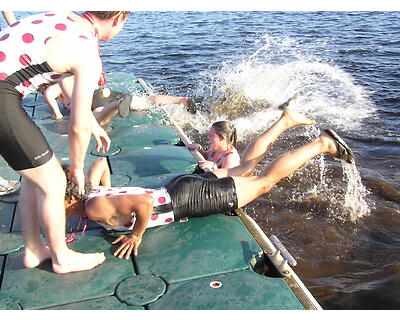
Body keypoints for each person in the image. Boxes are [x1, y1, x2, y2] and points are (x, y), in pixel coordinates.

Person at [63, 108, 354, 260]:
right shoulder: (91, 194)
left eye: (56, 204)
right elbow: (100, 165)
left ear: (68, 199)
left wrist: (136, 234)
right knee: (247, 167)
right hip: (181, 189)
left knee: (264, 182)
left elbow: (144, 204)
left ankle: (322, 144)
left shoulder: (93, 207)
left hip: (187, 199)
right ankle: (285, 121)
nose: (54, 211)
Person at [0, 11, 130, 274]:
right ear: (118, 18)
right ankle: (61, 258)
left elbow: (68, 90)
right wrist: (78, 168)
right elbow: (76, 125)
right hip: (3, 96)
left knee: (34, 176)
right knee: (54, 182)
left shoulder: (64, 20)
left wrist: (92, 123)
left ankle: (35, 249)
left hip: (7, 93)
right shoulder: (86, 50)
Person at [42, 78, 197, 122]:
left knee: (98, 118)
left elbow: (49, 93)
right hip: (103, 92)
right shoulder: (72, 77)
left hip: (94, 101)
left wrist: (57, 114)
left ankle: (116, 106)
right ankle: (180, 100)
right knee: (146, 102)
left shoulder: (57, 86)